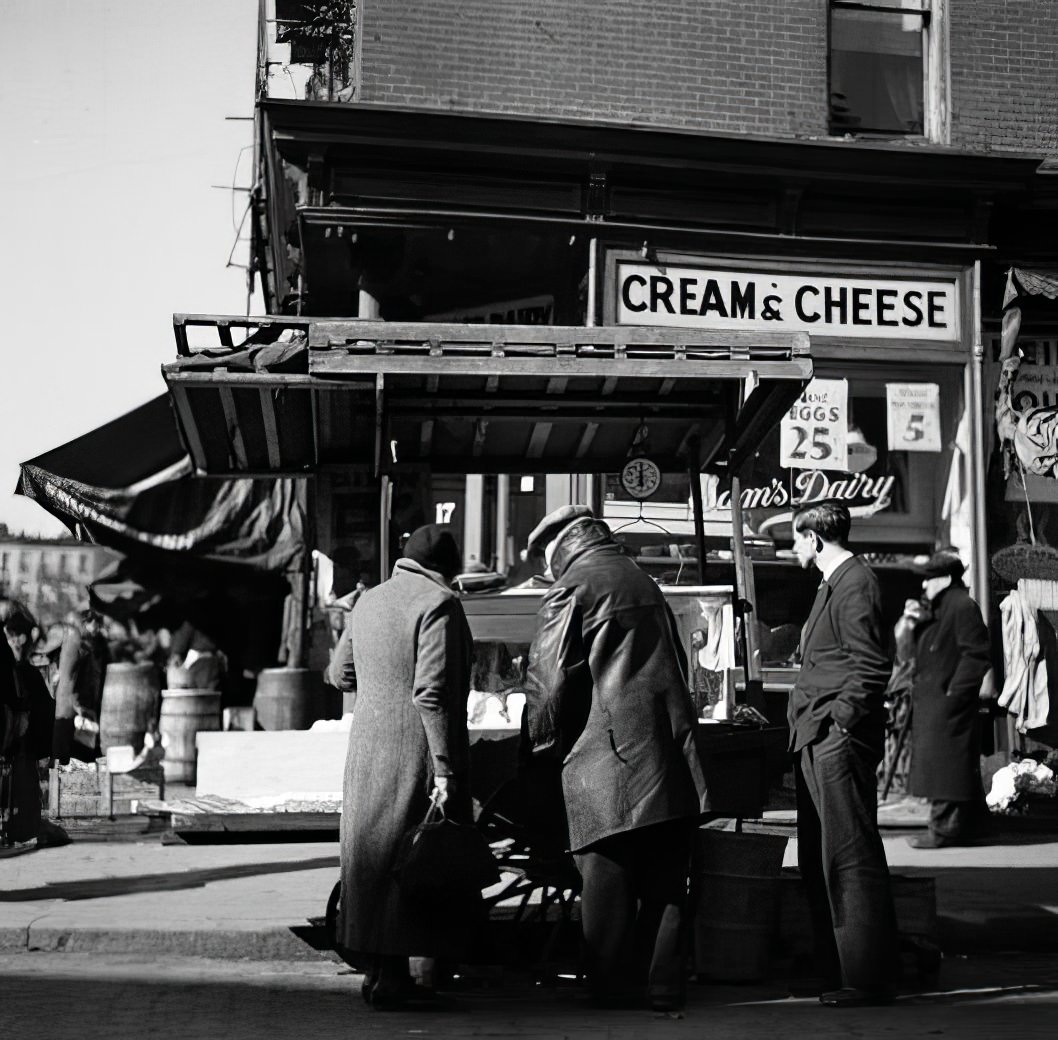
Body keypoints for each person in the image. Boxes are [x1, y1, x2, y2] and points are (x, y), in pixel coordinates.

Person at [522, 504, 708, 1012]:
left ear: (561, 547)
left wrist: (536, 748)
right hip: (666, 750)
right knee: (666, 878)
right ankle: (664, 986)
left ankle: (610, 986)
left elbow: (547, 683)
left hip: (607, 757)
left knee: (606, 872)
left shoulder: (572, 587)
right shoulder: (643, 580)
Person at [334, 524, 480, 1010]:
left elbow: (339, 675)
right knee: (415, 858)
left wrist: (377, 688)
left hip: (367, 746)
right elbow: (432, 693)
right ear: (450, 565)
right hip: (415, 747)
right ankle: (402, 980)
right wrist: (444, 767)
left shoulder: (368, 601)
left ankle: (381, 973)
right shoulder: (438, 604)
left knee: (373, 859)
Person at [788, 501, 900, 1008]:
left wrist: (842, 723)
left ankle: (866, 977)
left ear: (814, 538)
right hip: (817, 732)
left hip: (835, 735)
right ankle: (836, 969)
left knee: (848, 855)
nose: (793, 549)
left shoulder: (855, 582)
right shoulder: (835, 582)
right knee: (820, 856)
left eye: (795, 538)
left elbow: (872, 664)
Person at [904, 548, 992, 848]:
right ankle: (974, 827)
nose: (924, 585)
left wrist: (955, 693)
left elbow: (976, 655)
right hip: (939, 700)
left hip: (948, 702)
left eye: (929, 579)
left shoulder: (961, 606)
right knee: (950, 766)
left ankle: (944, 830)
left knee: (947, 769)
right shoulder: (944, 607)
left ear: (944, 579)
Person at [52, 610, 109, 764]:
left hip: (69, 709)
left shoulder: (74, 643)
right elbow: (73, 676)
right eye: (94, 624)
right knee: (75, 757)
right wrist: (79, 704)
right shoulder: (79, 645)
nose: (97, 628)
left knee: (68, 759)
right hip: (74, 709)